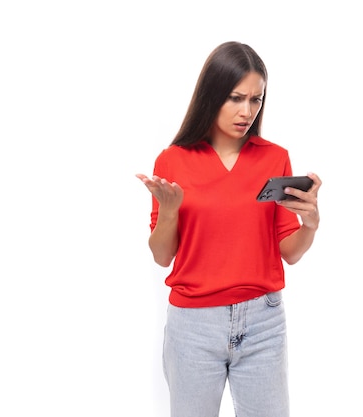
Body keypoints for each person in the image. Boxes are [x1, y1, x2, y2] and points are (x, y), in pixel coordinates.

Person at [136, 41, 321, 417]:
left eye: (256, 100)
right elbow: (161, 255)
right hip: (193, 325)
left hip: (263, 322)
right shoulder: (173, 160)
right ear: (212, 95)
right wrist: (169, 211)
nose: (247, 111)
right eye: (236, 98)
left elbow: (291, 251)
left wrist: (311, 224)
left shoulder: (274, 157)